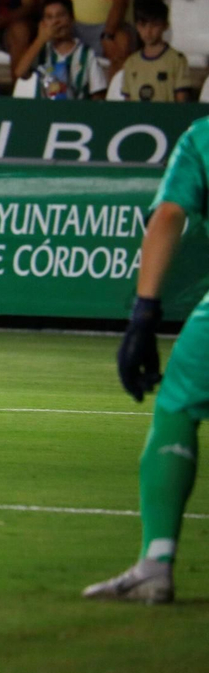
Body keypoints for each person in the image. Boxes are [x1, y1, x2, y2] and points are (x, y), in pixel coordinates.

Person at [95, 104, 209, 603]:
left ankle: (156, 563)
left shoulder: (203, 138)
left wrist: (144, 315)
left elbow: (168, 215)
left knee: (177, 407)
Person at [14, 0, 107, 97]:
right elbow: (20, 72)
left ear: (71, 18)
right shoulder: (40, 51)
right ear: (43, 23)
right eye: (49, 17)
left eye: (61, 15)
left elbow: (98, 94)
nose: (55, 22)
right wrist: (40, 40)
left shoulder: (86, 54)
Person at [119, 0, 193, 102]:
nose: (148, 31)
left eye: (154, 25)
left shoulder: (177, 60)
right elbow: (128, 103)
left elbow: (181, 103)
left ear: (165, 25)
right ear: (137, 27)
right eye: (143, 25)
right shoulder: (131, 62)